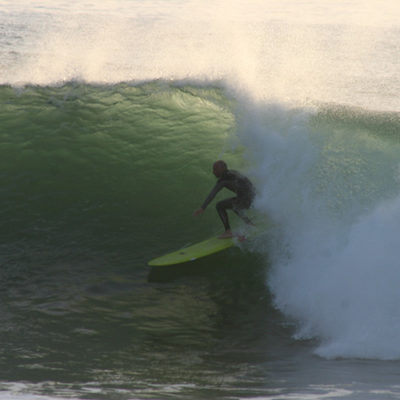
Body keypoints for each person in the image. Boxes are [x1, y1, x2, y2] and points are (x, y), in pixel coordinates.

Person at [193, 160, 255, 238]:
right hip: (253, 198)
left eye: (215, 170)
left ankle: (228, 231)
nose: (213, 172)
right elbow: (249, 185)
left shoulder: (224, 179)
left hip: (247, 199)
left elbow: (213, 192)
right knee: (234, 205)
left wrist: (203, 207)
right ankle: (249, 223)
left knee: (219, 206)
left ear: (221, 169)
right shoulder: (233, 172)